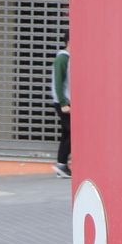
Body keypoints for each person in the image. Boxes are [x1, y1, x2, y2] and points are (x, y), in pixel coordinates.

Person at [51, 33, 71, 178]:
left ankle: (61, 166)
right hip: (63, 103)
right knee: (73, 133)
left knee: (66, 133)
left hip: (65, 101)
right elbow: (58, 82)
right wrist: (64, 103)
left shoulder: (67, 58)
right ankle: (62, 165)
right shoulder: (62, 59)